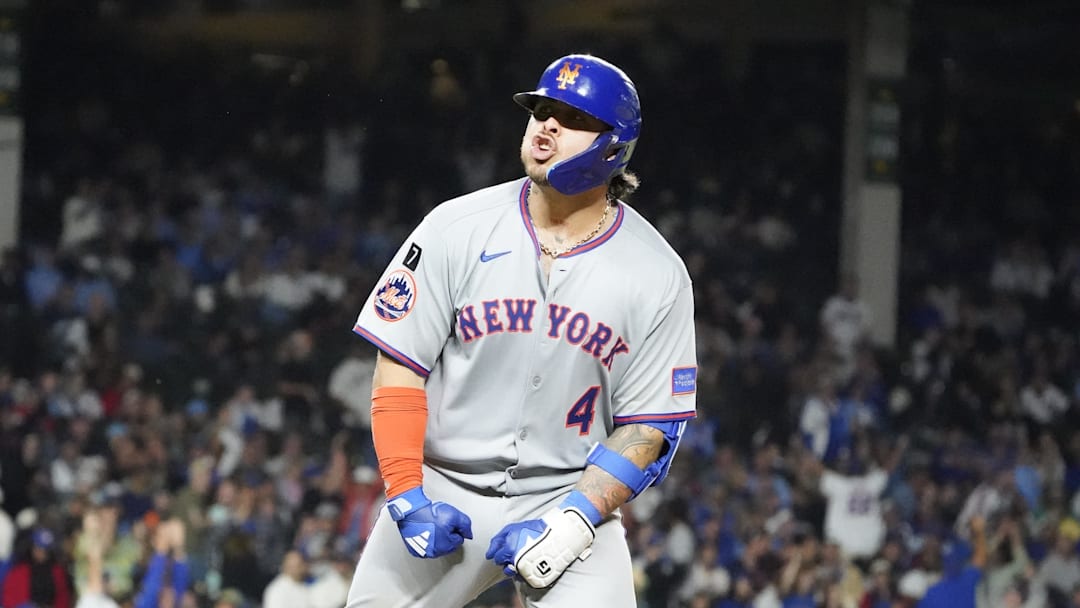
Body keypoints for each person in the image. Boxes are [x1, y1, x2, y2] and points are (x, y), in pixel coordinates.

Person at [345, 53, 697, 607]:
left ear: (615, 144)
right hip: (443, 487)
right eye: (542, 109)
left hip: (568, 497)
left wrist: (577, 521)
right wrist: (407, 494)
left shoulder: (657, 272)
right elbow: (399, 370)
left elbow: (646, 427)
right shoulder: (454, 227)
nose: (547, 124)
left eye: (572, 117)